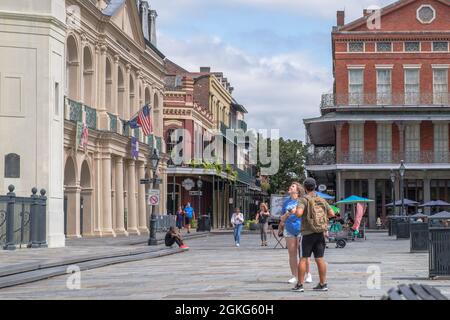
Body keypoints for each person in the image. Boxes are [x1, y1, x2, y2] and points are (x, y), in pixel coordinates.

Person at [292, 177, 335, 292]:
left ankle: (300, 285)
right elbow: (332, 213)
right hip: (320, 233)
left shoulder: (303, 199)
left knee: (303, 258)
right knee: (320, 258)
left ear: (305, 188)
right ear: (315, 187)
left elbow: (299, 213)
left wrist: (295, 211)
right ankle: (323, 283)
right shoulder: (321, 199)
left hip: (307, 233)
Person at [280, 182, 312, 285]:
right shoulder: (286, 202)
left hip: (301, 229)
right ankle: (294, 276)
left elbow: (307, 215)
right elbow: (282, 219)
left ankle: (308, 274)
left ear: (298, 190)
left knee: (303, 254)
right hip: (289, 229)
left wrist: (296, 211)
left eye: (292, 186)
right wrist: (287, 213)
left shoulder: (302, 200)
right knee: (292, 254)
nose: (290, 187)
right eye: (291, 186)